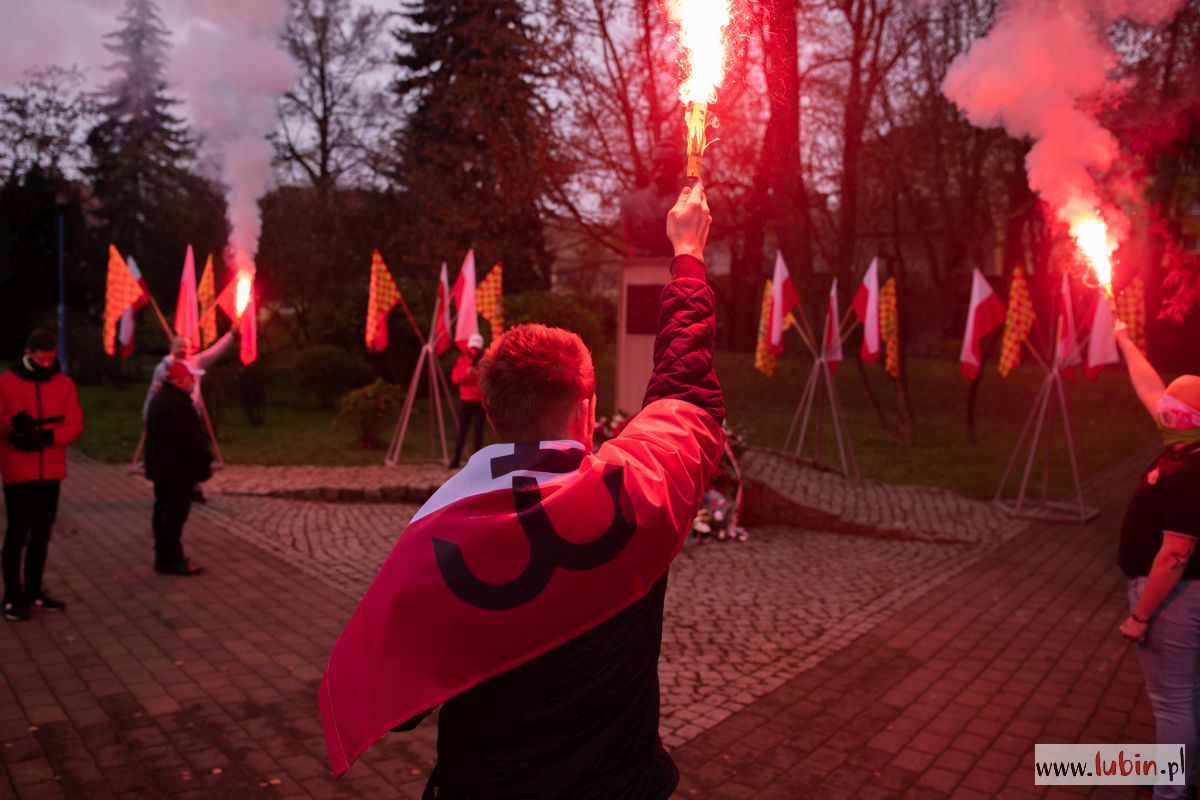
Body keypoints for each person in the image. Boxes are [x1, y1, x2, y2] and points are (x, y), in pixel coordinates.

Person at [320, 181, 723, 798]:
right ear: (586, 411)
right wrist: (688, 253)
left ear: (491, 410)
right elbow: (685, 391)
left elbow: (400, 707)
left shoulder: (439, 532)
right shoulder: (638, 493)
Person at [1115, 320, 1200, 800]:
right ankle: (1177, 778)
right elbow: (1149, 387)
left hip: (1175, 598)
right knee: (1183, 693)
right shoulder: (1185, 442)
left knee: (1171, 701)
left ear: (1185, 416)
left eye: (1172, 402)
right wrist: (1125, 340)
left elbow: (1176, 552)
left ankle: (1172, 793)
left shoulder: (1191, 471)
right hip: (1180, 595)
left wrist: (1140, 614)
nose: (1160, 403)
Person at [0, 330, 84, 621]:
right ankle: (12, 595)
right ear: (28, 352)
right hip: (18, 470)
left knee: (41, 534)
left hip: (50, 469)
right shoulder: (7, 383)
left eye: (50, 359)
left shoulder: (63, 384)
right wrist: (13, 425)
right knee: (17, 534)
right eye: (41, 359)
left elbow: (74, 422)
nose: (47, 364)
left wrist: (49, 437)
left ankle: (34, 591)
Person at [141, 329, 236, 503]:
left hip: (190, 416)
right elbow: (153, 393)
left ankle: (194, 487)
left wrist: (231, 334)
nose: (183, 349)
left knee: (192, 451)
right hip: (170, 420)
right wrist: (147, 414)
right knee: (174, 454)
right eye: (179, 346)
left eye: (186, 346)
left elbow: (215, 351)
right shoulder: (163, 368)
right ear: (172, 347)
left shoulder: (195, 362)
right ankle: (175, 488)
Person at [144, 360, 213, 576]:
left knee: (164, 512)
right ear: (180, 380)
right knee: (173, 515)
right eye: (190, 379)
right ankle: (171, 559)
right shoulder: (178, 405)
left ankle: (164, 556)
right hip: (176, 471)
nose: (193, 382)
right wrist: (203, 464)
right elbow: (191, 440)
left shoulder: (163, 399)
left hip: (164, 469)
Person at [448, 332, 486, 469]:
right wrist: (467, 373)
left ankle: (476, 463)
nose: (474, 351)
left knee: (478, 431)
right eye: (472, 348)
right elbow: (455, 379)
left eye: (476, 348)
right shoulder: (462, 361)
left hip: (480, 402)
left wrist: (479, 374)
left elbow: (489, 381)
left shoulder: (486, 362)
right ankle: (456, 459)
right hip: (466, 400)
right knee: (462, 430)